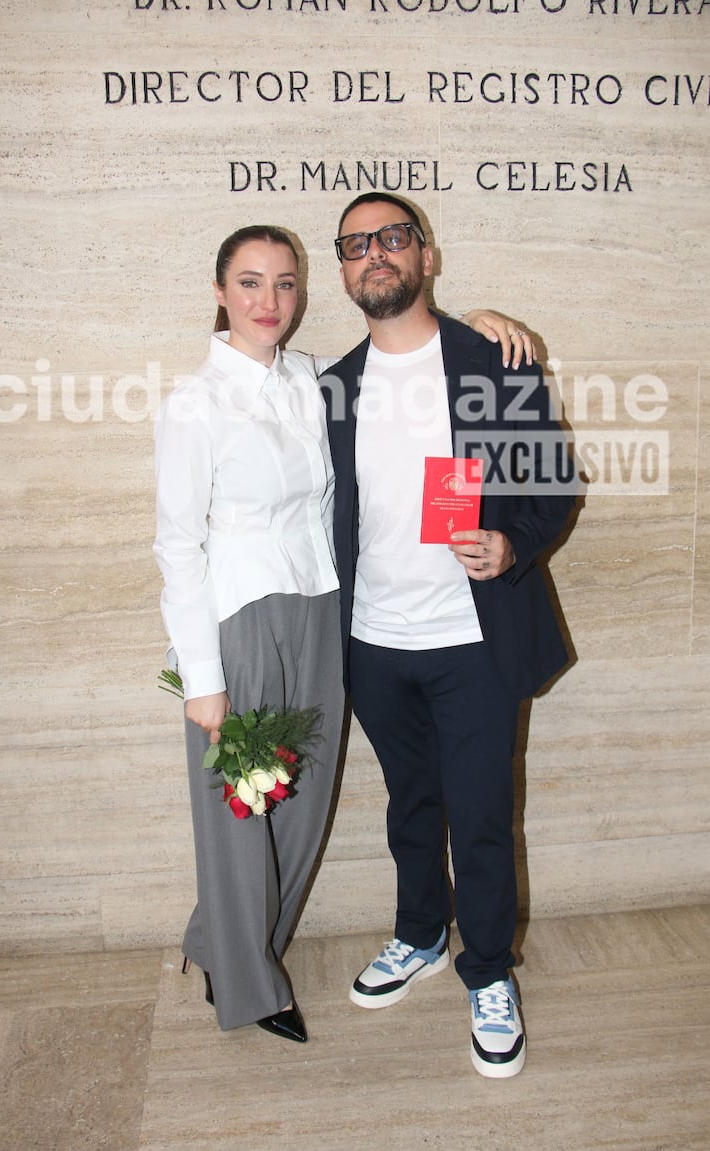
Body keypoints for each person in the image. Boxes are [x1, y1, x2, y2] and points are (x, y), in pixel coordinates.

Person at [153, 223, 541, 1043]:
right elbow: (176, 543)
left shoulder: (314, 381)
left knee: (305, 807)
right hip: (260, 624)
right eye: (250, 282)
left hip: (336, 621)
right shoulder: (202, 401)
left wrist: (485, 321)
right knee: (243, 803)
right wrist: (200, 674)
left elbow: (532, 462)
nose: (269, 300)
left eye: (284, 283)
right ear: (219, 291)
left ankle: (477, 966)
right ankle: (256, 973)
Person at [321, 193, 576, 1076]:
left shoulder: (490, 361)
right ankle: (420, 934)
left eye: (392, 238)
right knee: (410, 808)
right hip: (371, 642)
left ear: (426, 256)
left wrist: (511, 543)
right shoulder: (331, 387)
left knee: (479, 817)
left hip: (471, 640)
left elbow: (554, 489)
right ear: (344, 271)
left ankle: (487, 968)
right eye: (355, 245)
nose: (374, 255)